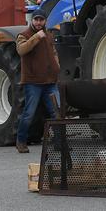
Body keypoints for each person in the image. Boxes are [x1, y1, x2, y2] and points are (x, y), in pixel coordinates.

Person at [14, 12, 61, 153]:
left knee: (57, 113)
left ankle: (59, 143)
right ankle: (21, 141)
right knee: (29, 113)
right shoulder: (24, 35)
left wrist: (56, 66)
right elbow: (21, 50)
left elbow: (54, 52)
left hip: (50, 81)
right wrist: (36, 37)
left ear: (45, 21)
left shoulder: (49, 35)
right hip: (33, 81)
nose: (38, 22)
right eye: (36, 19)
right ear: (32, 20)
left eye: (41, 20)